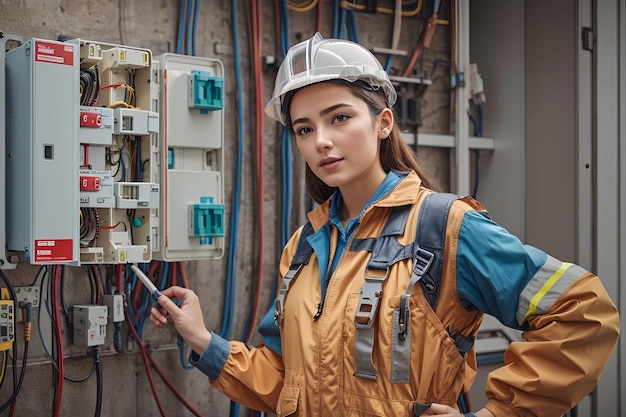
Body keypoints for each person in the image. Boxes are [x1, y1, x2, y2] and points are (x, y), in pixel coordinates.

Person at [151, 33, 620, 417]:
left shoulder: (443, 228)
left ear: (383, 123)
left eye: (340, 117)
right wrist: (201, 339)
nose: (322, 142)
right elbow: (286, 385)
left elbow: (583, 313)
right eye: (304, 128)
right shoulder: (304, 248)